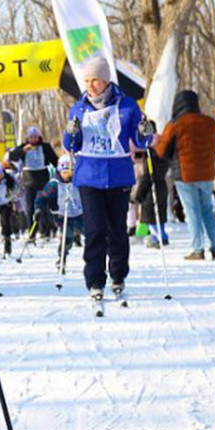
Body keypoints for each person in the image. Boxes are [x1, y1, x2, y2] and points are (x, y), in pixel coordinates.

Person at [63, 56, 153, 298]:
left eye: (96, 80)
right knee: (94, 230)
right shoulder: (79, 108)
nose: (90, 85)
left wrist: (146, 131)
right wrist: (70, 133)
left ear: (106, 81)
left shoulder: (127, 106)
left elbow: (142, 141)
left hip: (118, 176)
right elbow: (70, 144)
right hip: (89, 176)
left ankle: (118, 274)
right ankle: (94, 279)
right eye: (87, 81)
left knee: (117, 230)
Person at [154, 90, 215, 260]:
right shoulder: (209, 122)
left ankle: (198, 248)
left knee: (192, 211)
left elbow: (161, 150)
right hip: (207, 173)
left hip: (184, 174)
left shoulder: (175, 125)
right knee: (208, 210)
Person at [8, 126, 59, 239]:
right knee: (29, 207)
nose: (33, 139)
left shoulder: (45, 147)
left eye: (35, 137)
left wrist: (60, 171)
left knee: (43, 205)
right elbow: (11, 157)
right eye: (31, 137)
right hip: (28, 181)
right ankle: (32, 232)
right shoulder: (24, 147)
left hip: (43, 180)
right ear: (27, 138)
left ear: (39, 137)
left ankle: (45, 230)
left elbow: (55, 160)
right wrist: (22, 151)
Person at [34, 154, 83, 270]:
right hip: (62, 214)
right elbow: (42, 196)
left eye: (70, 172)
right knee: (67, 237)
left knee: (92, 234)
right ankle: (61, 259)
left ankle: (98, 258)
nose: (67, 175)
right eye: (64, 172)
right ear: (60, 171)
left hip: (80, 213)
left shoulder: (80, 181)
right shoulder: (54, 184)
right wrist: (38, 208)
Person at [133, 140, 169, 248]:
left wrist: (139, 194)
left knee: (151, 217)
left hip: (151, 191)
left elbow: (146, 178)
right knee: (160, 214)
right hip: (162, 186)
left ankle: (159, 237)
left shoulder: (150, 157)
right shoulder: (163, 155)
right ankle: (162, 235)